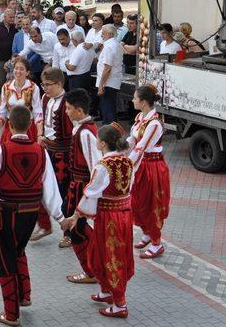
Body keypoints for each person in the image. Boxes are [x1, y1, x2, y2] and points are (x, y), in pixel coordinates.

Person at [0, 105, 66, 327]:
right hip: (30, 213)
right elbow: (50, 186)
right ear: (30, 125)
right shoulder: (41, 151)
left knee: (5, 259)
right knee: (19, 250)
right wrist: (59, 217)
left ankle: (11, 314)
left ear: (9, 125)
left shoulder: (1, 151)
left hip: (7, 212)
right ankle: (24, 295)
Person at [61, 123, 134, 319]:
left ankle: (120, 304)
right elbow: (128, 189)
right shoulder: (127, 161)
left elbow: (91, 193)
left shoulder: (103, 166)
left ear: (102, 143)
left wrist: (76, 215)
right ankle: (107, 291)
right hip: (124, 214)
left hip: (109, 217)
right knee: (105, 252)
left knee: (111, 256)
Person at [128, 84, 170, 259]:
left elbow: (141, 147)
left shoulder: (154, 124)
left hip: (151, 168)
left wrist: (125, 164)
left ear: (144, 102)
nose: (133, 100)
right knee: (137, 202)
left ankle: (156, 243)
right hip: (141, 165)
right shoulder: (140, 117)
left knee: (151, 204)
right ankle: (147, 233)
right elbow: (132, 140)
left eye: (135, 98)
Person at [64, 88, 100, 284]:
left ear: (79, 110)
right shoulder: (81, 129)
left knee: (76, 229)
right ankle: (92, 267)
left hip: (82, 186)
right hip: (77, 184)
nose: (67, 112)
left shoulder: (86, 133)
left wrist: (89, 194)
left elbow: (95, 166)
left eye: (69, 108)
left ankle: (91, 270)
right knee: (77, 227)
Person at [32, 68, 72, 245]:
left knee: (64, 194)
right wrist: (40, 135)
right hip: (47, 149)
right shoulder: (45, 98)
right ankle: (45, 225)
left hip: (64, 154)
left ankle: (68, 233)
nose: (45, 88)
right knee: (39, 188)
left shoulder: (68, 102)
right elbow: (40, 118)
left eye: (48, 85)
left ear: (59, 84)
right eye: (43, 84)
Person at [0, 58, 43, 144]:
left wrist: (39, 134)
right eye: (16, 68)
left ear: (27, 72)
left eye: (22, 69)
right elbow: (1, 112)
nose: (18, 71)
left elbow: (38, 112)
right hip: (11, 128)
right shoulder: (6, 87)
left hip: (28, 128)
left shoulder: (33, 87)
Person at [0, 9, 17, 106]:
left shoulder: (15, 27)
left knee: (12, 82)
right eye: (10, 17)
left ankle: (9, 103)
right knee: (0, 83)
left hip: (12, 60)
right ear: (4, 17)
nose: (12, 19)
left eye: (13, 17)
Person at [96, 25, 123, 125]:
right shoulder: (115, 44)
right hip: (111, 81)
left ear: (110, 34)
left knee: (108, 110)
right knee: (108, 109)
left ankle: (111, 132)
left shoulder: (110, 46)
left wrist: (101, 85)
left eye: (103, 33)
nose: (101, 35)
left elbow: (107, 68)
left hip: (108, 82)